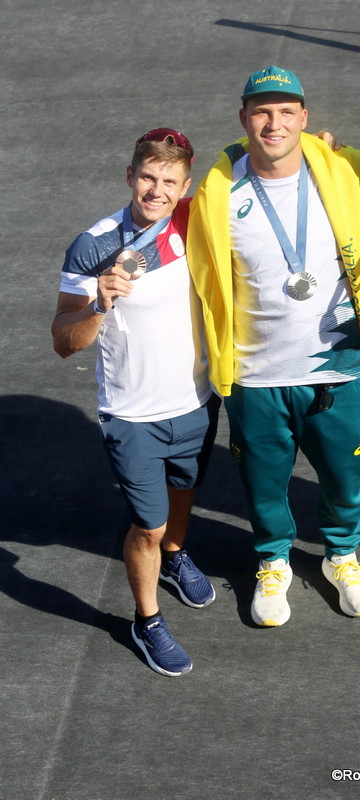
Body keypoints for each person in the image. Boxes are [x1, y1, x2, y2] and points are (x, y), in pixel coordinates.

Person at [187, 66, 360, 626]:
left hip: (337, 366)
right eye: (261, 111)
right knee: (264, 483)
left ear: (305, 118)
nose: (273, 123)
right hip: (255, 372)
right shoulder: (217, 192)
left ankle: (341, 556)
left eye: (285, 112)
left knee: (345, 479)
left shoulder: (346, 170)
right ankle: (272, 561)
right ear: (243, 118)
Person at [52, 129, 221, 676]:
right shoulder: (94, 245)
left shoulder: (194, 219)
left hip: (196, 400)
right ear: (130, 176)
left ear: (183, 186)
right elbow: (62, 340)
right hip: (131, 415)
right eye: (148, 176)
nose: (156, 190)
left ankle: (175, 557)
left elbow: (257, 174)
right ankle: (146, 621)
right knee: (145, 525)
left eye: (168, 181)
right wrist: (98, 305)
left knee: (183, 493)